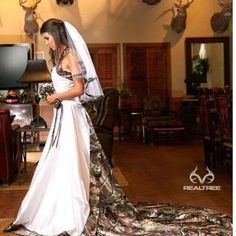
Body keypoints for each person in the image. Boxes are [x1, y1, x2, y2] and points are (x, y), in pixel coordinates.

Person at [4, 19, 232, 236]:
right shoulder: (57, 55)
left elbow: (80, 89)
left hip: (72, 114)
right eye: (44, 39)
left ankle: (72, 212)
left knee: (71, 161)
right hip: (62, 115)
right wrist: (54, 97)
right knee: (55, 160)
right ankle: (51, 209)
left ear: (55, 34)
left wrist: (57, 96)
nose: (47, 42)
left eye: (47, 38)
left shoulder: (70, 55)